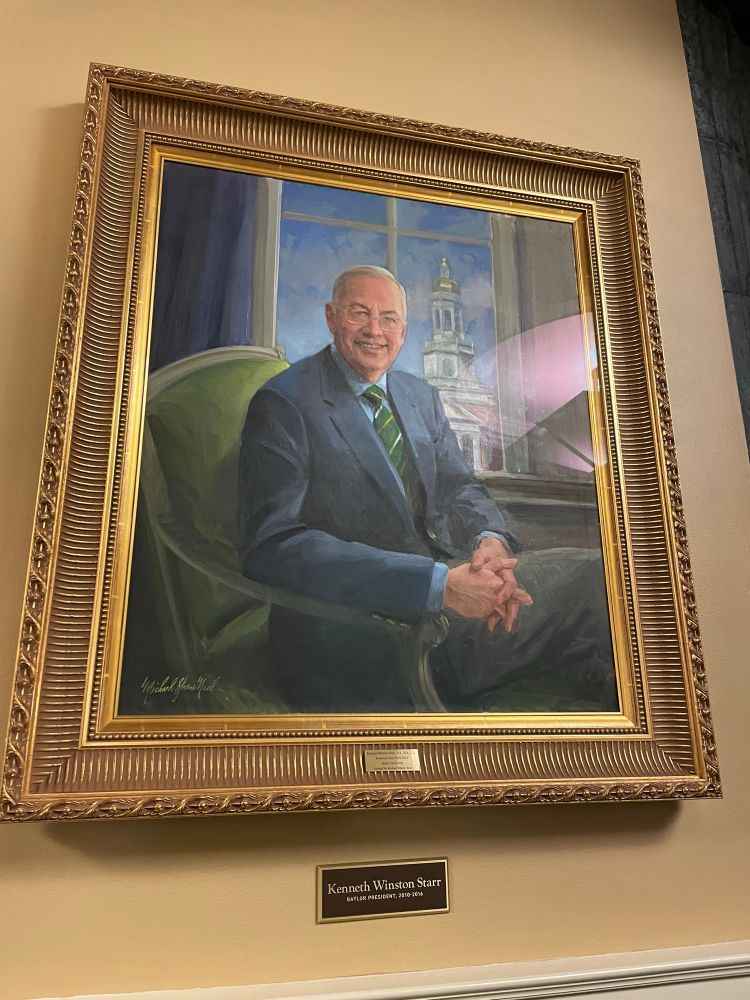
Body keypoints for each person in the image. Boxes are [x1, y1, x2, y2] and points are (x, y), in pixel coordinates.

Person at [238, 265, 617, 713]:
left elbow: (460, 486)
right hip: (364, 630)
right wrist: (438, 586)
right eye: (359, 314)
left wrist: (489, 542)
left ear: (405, 328)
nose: (375, 331)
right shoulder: (284, 403)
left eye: (389, 318)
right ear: (331, 317)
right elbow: (273, 546)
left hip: (449, 594)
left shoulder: (419, 395)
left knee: (602, 577)